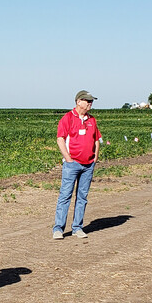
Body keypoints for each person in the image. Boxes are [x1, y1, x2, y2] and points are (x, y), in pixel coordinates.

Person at [53, 90, 101, 240]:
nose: (90, 104)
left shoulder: (92, 120)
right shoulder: (67, 118)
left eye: (91, 101)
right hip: (72, 164)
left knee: (82, 197)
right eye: (87, 101)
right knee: (65, 196)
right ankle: (58, 229)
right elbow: (60, 139)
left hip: (88, 165)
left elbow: (96, 139)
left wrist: (95, 157)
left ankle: (77, 228)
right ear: (78, 101)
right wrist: (68, 158)